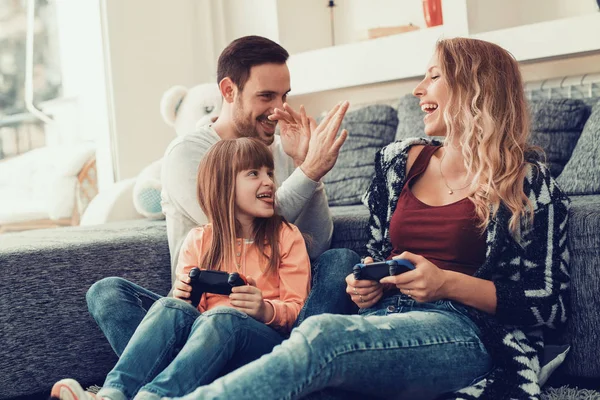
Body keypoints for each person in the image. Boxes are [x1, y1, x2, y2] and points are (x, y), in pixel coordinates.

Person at [156, 37, 571, 400]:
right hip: (380, 319)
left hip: (462, 328)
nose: (418, 89)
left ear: (474, 88)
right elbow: (375, 255)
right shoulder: (398, 162)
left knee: (321, 338)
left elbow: (549, 305)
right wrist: (366, 283)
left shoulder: (528, 183)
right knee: (315, 370)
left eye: (433, 77)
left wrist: (447, 283)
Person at [86, 35, 360, 362]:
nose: (278, 110)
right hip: (205, 315)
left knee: (340, 259)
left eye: (284, 96)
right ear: (229, 91)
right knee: (107, 293)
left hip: (275, 315)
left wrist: (306, 170)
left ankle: (294, 364)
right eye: (266, 96)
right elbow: (240, 229)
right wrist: (310, 170)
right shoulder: (188, 154)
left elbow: (315, 245)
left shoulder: (282, 150)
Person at [51, 138, 312, 400]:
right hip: (205, 346)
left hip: (260, 344)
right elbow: (190, 318)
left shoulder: (286, 236)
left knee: (223, 316)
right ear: (223, 185)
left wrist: (265, 309)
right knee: (167, 305)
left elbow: (299, 311)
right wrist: (185, 297)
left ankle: (156, 394)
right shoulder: (199, 240)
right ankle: (112, 394)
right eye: (254, 173)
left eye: (269, 173)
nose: (268, 181)